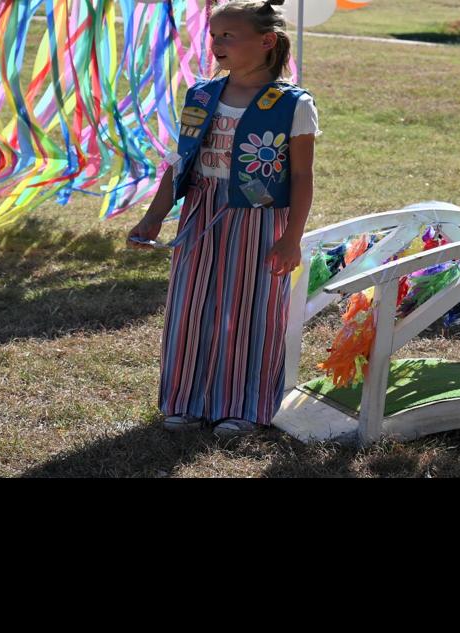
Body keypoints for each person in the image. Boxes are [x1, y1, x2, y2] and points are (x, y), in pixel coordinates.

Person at [127, 0, 319, 436]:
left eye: (228, 35)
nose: (216, 43)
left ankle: (244, 406)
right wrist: (154, 217)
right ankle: (187, 400)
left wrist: (291, 239)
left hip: (258, 217)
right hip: (200, 209)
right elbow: (180, 161)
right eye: (214, 35)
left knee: (251, 308)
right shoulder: (201, 94)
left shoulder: (292, 104)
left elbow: (303, 176)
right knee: (191, 306)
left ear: (266, 41)